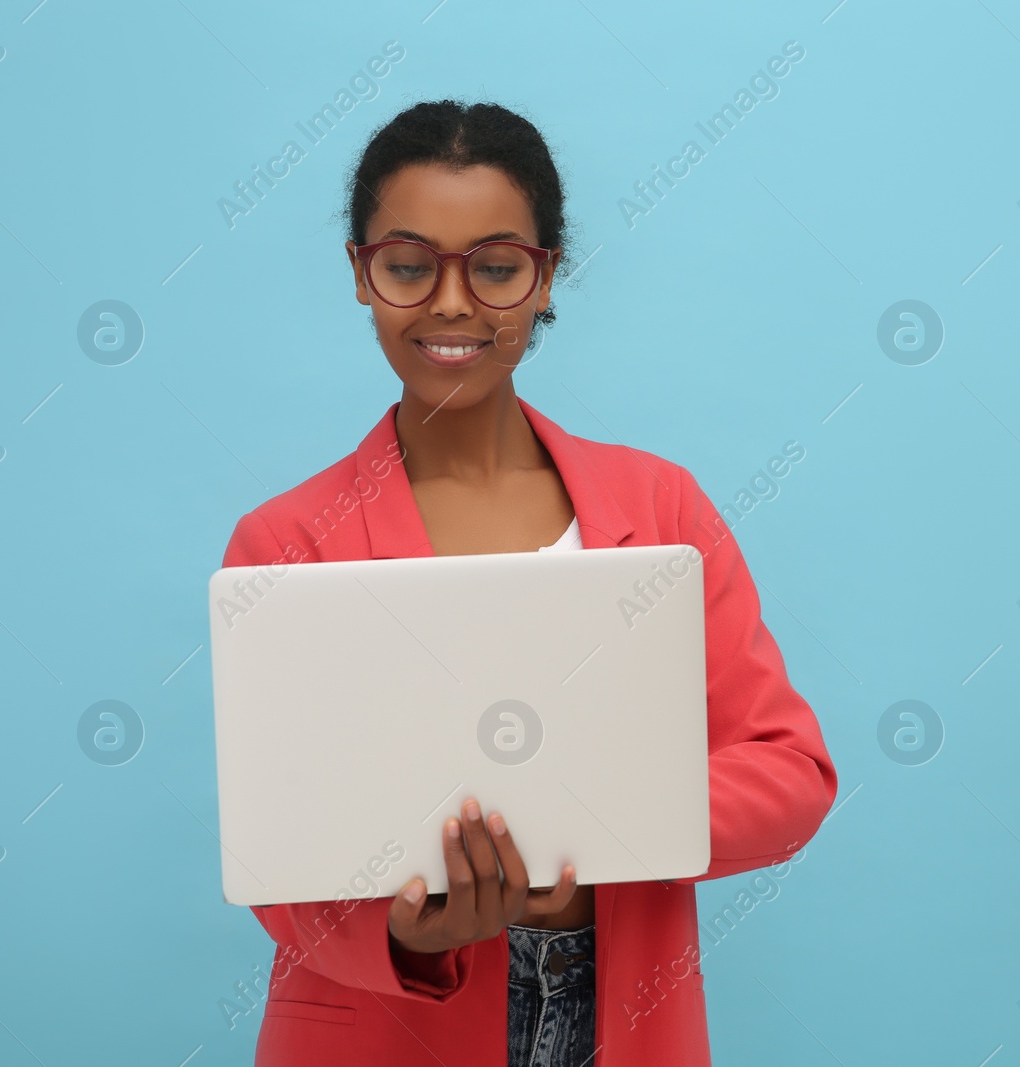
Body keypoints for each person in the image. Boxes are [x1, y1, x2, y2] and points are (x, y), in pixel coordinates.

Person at [218, 99, 837, 1066]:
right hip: (385, 1030)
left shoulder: (660, 507)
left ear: (546, 278)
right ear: (360, 274)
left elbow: (789, 769)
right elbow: (276, 847)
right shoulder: (286, 542)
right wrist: (409, 934)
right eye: (410, 265)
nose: (453, 303)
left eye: (497, 266)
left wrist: (597, 833)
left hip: (617, 1017)